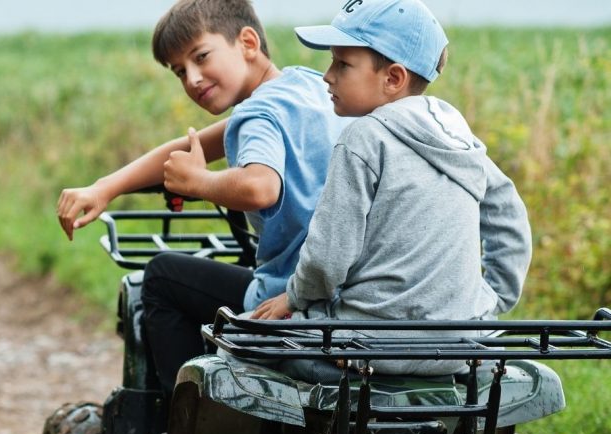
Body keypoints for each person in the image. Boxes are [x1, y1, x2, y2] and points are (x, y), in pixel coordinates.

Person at [57, 0, 350, 394]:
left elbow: (260, 186)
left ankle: (190, 419)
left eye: (201, 57)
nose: (192, 78)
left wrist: (199, 183)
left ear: (247, 42)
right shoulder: (309, 86)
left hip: (288, 291)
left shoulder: (257, 113)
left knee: (161, 277)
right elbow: (194, 145)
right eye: (180, 71)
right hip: (343, 285)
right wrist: (107, 186)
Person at [250, 0, 532, 375]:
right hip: (459, 343)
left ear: (394, 78)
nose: (327, 77)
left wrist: (294, 296)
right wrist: (489, 301)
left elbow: (327, 256)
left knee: (242, 336)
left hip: (369, 341)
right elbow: (508, 214)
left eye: (342, 64)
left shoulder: (364, 137)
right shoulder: (455, 132)